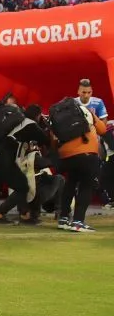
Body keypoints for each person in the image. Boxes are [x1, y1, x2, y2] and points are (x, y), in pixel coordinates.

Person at [53, 99, 107, 233]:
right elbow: (103, 129)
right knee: (86, 186)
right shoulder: (84, 110)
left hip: (66, 155)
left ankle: (63, 219)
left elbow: (53, 139)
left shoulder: (56, 116)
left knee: (70, 184)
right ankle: (78, 222)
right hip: (87, 152)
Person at [0, 107, 51, 224]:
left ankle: (24, 214)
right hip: (7, 158)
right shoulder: (31, 124)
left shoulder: (20, 122)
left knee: (21, 185)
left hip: (2, 157)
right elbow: (45, 140)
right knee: (22, 187)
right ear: (37, 115)